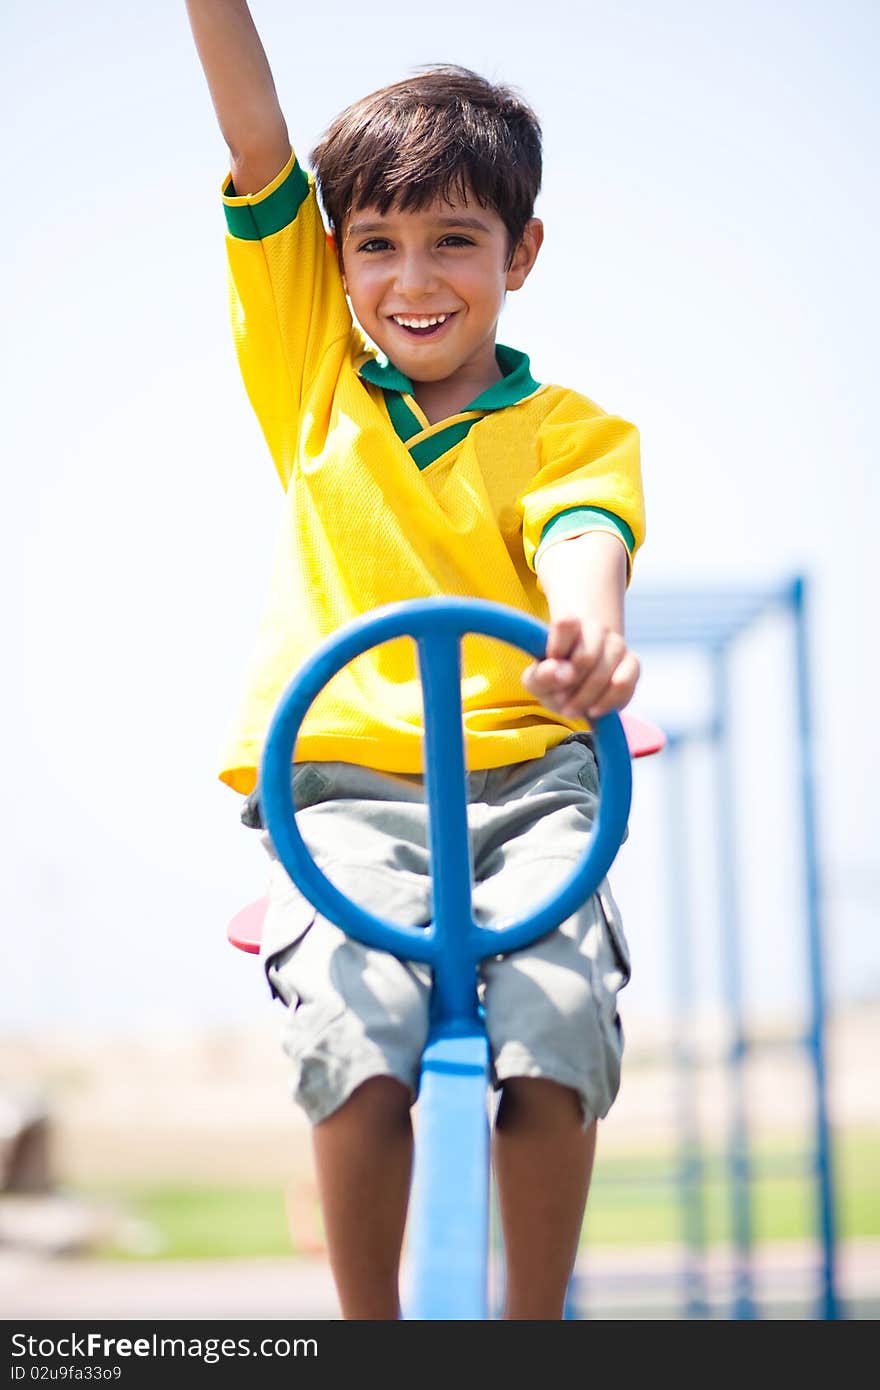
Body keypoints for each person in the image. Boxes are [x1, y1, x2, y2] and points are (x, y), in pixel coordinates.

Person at [185, 0, 645, 1320]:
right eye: (375, 244)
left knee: (557, 1009)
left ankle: (530, 1320)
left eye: (456, 240)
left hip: (538, 792)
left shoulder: (571, 430)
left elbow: (584, 540)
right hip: (342, 800)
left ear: (523, 252)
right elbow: (258, 139)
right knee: (355, 1020)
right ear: (334, 265)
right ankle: (372, 1329)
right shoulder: (314, 381)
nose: (414, 277)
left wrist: (586, 630)